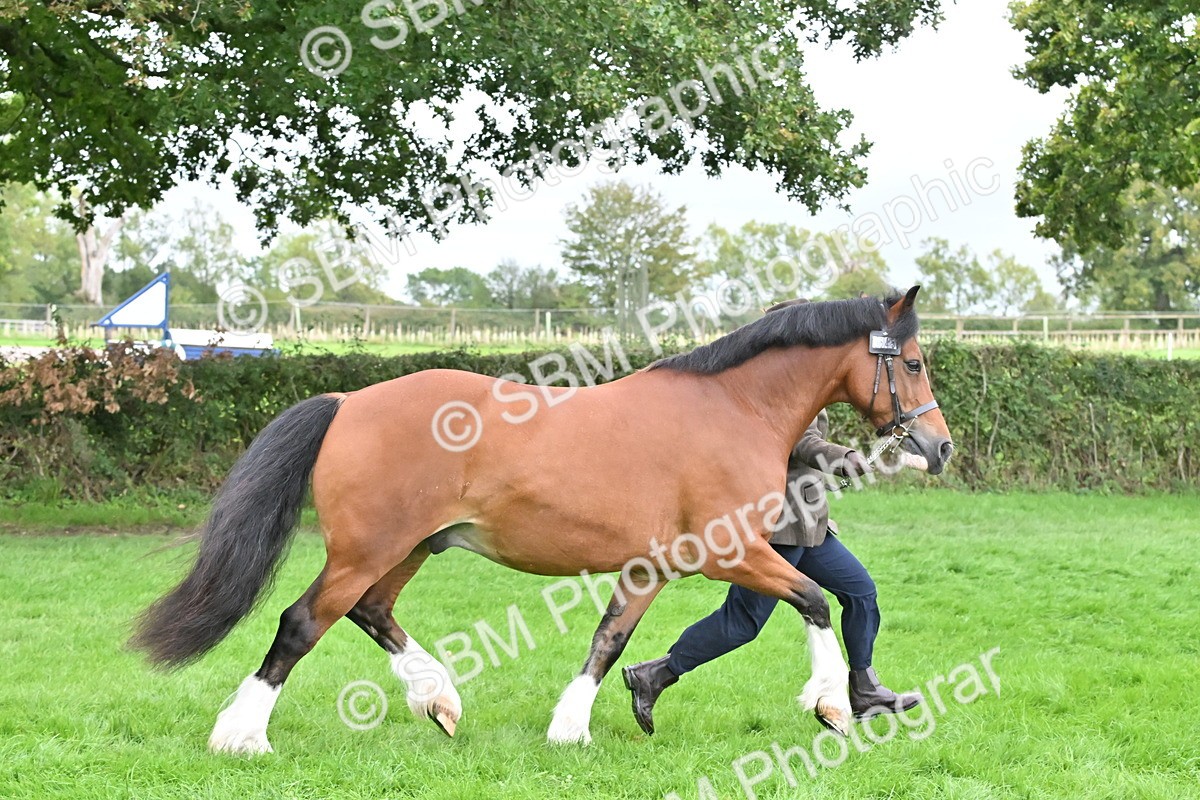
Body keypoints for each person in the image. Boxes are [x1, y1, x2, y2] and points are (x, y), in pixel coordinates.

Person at [621, 407, 922, 735]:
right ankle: (653, 675)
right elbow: (804, 442)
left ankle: (864, 688)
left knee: (860, 591)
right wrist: (845, 458)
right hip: (778, 530)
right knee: (742, 621)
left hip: (809, 528)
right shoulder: (792, 386)